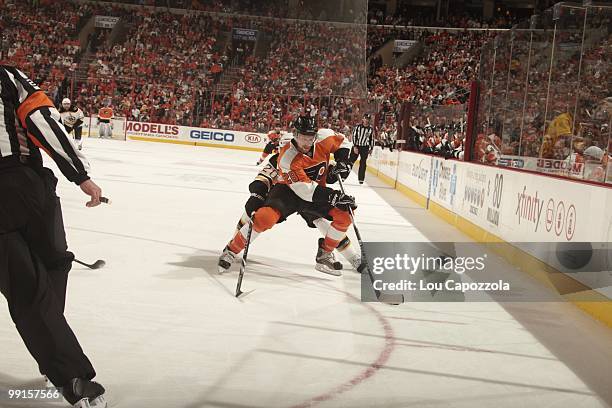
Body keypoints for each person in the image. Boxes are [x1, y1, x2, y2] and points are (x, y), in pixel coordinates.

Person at [0, 65, 107, 408]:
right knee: (44, 273)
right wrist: (80, 175)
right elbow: (43, 120)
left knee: (41, 274)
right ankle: (68, 374)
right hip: (28, 184)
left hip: (23, 184)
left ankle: (61, 365)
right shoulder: (7, 76)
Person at [219, 116, 357, 275]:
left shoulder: (324, 138)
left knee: (345, 213)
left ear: (315, 135)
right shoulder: (286, 157)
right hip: (288, 193)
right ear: (295, 135)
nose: (306, 143)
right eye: (302, 138)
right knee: (263, 217)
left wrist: (343, 162)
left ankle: (326, 254)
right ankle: (231, 249)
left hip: (316, 191)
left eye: (310, 138)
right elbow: (303, 190)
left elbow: (342, 143)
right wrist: (257, 192)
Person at [349, 114, 375, 184]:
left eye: (368, 119)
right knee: (350, 161)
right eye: (365, 118)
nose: (366, 120)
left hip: (365, 148)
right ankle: (344, 176)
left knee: (363, 163)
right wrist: (354, 146)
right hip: (357, 146)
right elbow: (354, 136)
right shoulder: (358, 127)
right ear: (363, 119)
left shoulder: (370, 129)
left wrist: (371, 148)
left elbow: (371, 139)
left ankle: (361, 179)